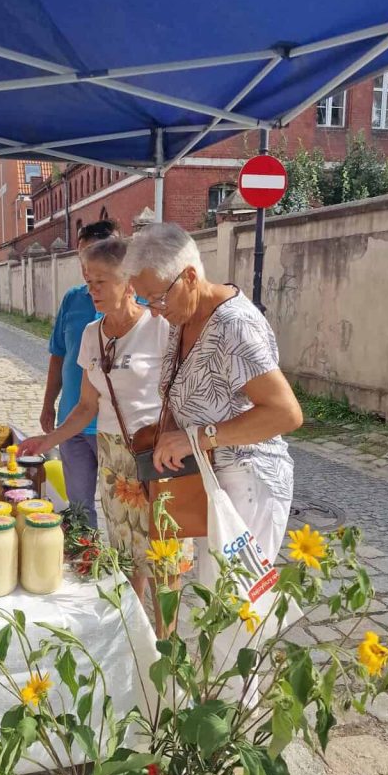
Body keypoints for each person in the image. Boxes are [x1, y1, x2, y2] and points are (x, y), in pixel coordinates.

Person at [20, 237, 174, 633]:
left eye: (101, 281)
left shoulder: (160, 328)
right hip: (113, 458)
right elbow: (87, 406)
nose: (92, 290)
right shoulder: (93, 333)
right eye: (89, 282)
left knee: (164, 559)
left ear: (128, 281)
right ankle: (134, 636)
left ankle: (167, 644)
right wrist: (47, 441)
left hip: (156, 455)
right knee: (126, 554)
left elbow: (182, 394)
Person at [126, 222, 303, 564]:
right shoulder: (184, 317)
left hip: (248, 482)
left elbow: (286, 413)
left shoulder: (233, 325)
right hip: (211, 480)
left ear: (190, 277)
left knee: (236, 596)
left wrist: (196, 438)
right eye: (146, 300)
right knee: (214, 593)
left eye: (158, 297)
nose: (154, 310)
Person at [41, 220, 119, 528]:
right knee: (78, 509)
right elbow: (58, 354)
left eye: (94, 255)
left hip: (114, 428)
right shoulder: (73, 299)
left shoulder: (141, 305)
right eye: (82, 257)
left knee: (121, 509)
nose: (87, 268)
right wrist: (49, 404)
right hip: (72, 422)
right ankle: (87, 554)